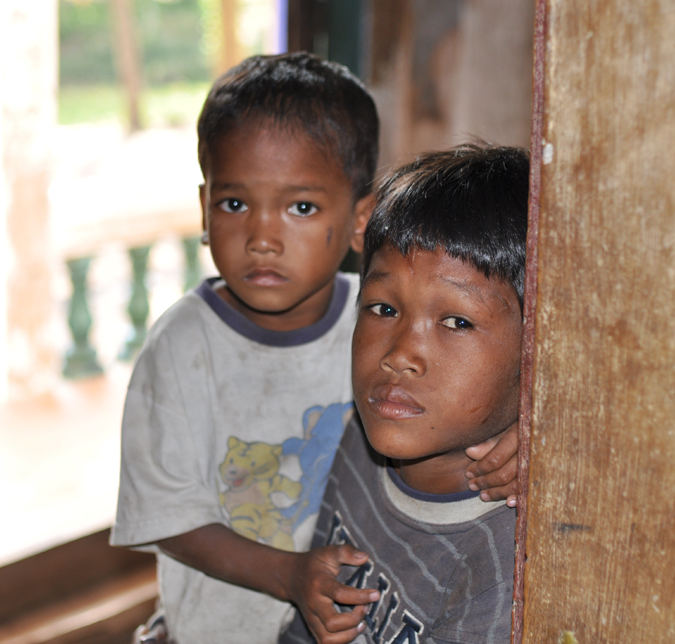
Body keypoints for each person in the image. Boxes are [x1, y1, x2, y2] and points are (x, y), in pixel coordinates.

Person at [110, 53, 518, 644]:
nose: (263, 237)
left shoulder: (382, 318)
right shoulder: (182, 348)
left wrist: (528, 435)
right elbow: (165, 515)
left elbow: (496, 383)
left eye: (300, 207)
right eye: (234, 203)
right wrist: (290, 576)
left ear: (359, 221)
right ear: (203, 209)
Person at [279, 143, 529, 644]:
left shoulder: (506, 567)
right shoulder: (361, 438)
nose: (399, 355)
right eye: (383, 309)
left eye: (456, 321)